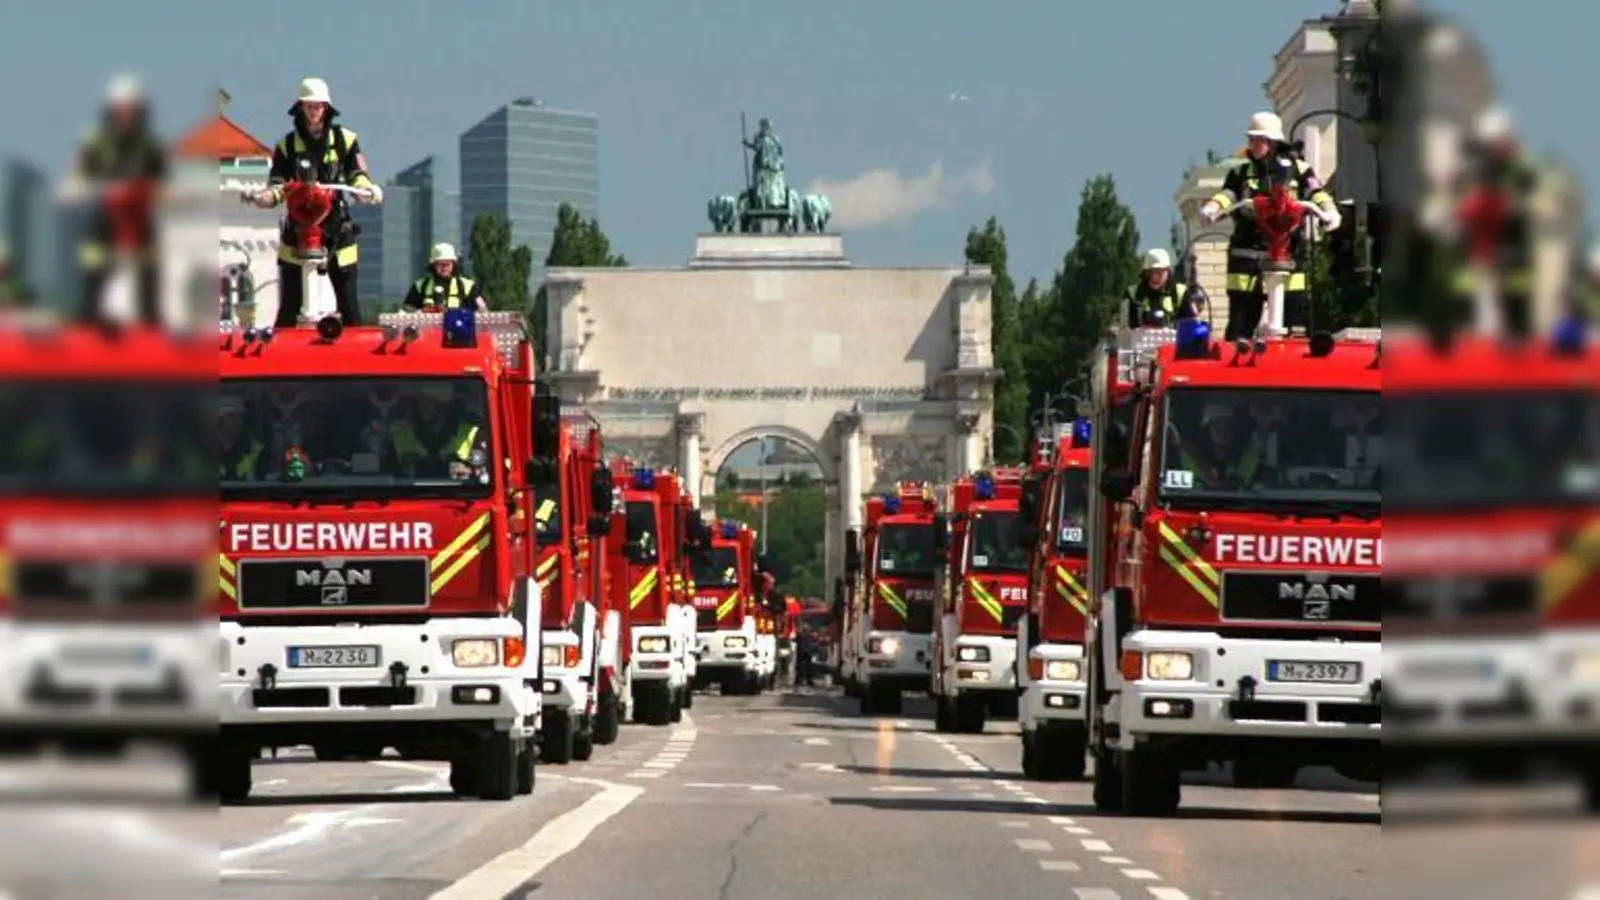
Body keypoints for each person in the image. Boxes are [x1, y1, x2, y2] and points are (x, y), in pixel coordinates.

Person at [1199, 112, 1341, 341]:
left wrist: (1330, 211)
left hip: (1288, 251)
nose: (1253, 145)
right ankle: (1238, 353)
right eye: (1251, 139)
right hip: (1247, 250)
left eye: (1259, 139)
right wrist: (1212, 208)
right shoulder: (1241, 172)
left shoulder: (1299, 169)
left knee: (1295, 315)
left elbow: (1315, 191)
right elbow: (1228, 194)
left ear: (1273, 142)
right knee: (1241, 318)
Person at [252, 78, 381, 328]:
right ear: (300, 107)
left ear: (326, 107)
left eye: (319, 105)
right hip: (297, 231)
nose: (314, 111)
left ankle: (357, 360)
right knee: (290, 306)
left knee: (350, 306)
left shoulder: (346, 140)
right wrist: (268, 196)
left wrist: (365, 189)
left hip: (337, 231)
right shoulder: (286, 146)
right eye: (309, 105)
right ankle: (279, 360)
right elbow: (277, 182)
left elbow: (357, 173)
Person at [71, 74, 167, 326]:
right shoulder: (95, 143)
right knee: (94, 259)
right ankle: (88, 319)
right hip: (103, 213)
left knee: (150, 260)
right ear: (111, 112)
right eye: (122, 111)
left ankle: (151, 323)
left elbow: (163, 182)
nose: (127, 117)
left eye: (132, 112)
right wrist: (106, 190)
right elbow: (78, 181)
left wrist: (145, 191)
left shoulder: (150, 146)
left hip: (139, 213)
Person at [1451, 107, 1541, 338]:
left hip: (1508, 254)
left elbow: (1529, 201)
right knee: (1478, 314)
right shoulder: (1476, 169)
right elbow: (1463, 206)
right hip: (1478, 253)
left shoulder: (1519, 169)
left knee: (1510, 311)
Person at [389, 385, 485, 479]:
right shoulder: (400, 436)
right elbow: (387, 476)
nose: (429, 408)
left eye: (434, 403)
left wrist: (467, 470)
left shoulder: (471, 433)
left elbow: (482, 475)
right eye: (424, 403)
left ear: (447, 406)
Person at [1178, 404, 1261, 490]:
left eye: (1227, 425)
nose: (1222, 431)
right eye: (1216, 425)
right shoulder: (1188, 455)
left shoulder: (1249, 458)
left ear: (1235, 429)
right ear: (1207, 429)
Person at [1126, 248, 1205, 329]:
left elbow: (1190, 324)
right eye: (1157, 271)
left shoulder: (1180, 292)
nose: (1162, 275)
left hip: (1173, 340)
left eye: (1165, 271)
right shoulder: (1134, 293)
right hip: (1140, 340)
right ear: (1147, 272)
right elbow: (1127, 327)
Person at [403, 242, 487, 311]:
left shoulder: (468, 286)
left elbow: (481, 312)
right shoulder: (419, 287)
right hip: (427, 330)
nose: (444, 268)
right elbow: (406, 314)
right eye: (440, 264)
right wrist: (422, 311)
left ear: (453, 265)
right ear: (433, 265)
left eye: (447, 264)